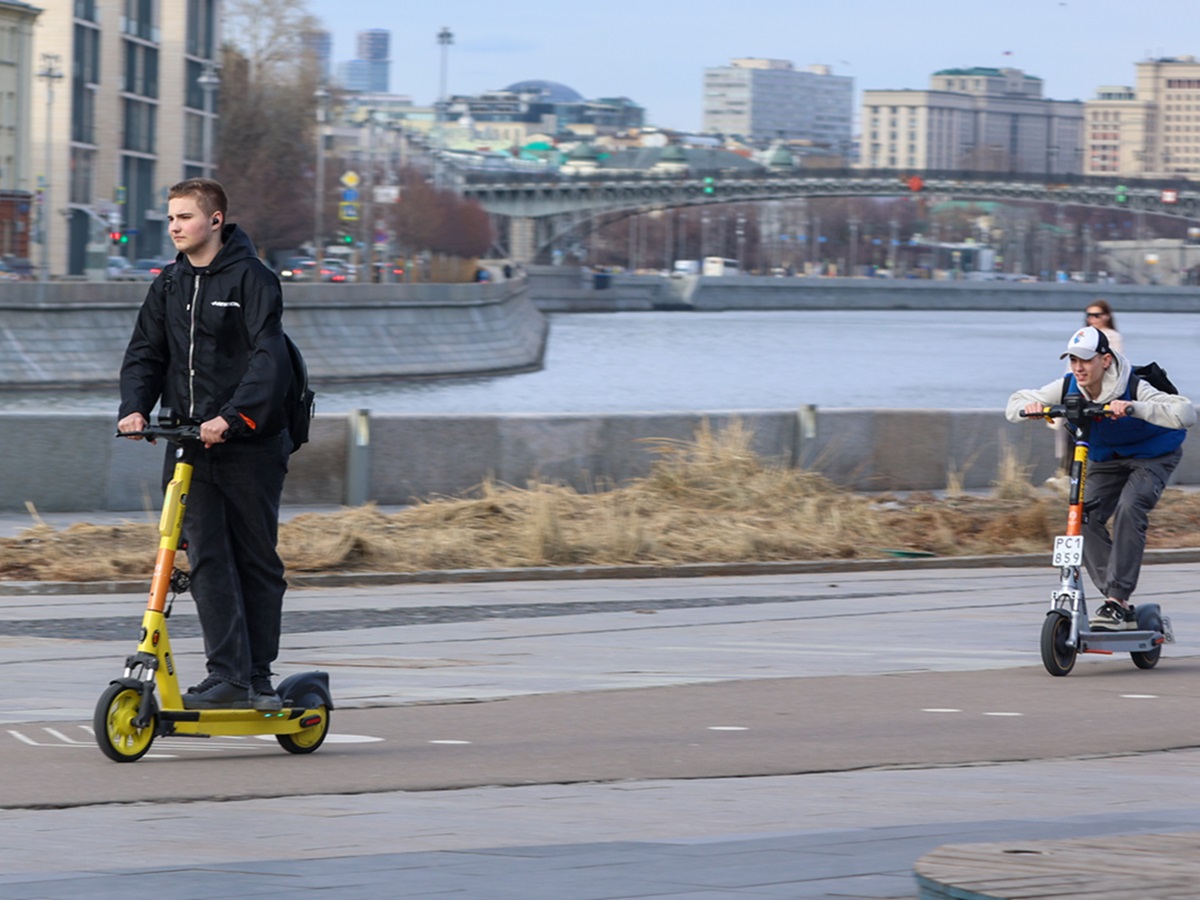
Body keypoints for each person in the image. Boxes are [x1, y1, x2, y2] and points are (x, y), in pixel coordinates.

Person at [117, 178, 292, 711]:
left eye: (185, 217)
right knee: (207, 558)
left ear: (215, 221)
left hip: (249, 442)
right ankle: (228, 676)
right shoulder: (169, 283)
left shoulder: (253, 279)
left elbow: (270, 358)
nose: (174, 227)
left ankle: (257, 675)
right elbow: (146, 351)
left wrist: (233, 417)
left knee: (255, 559)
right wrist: (135, 407)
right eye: (170, 218)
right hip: (190, 442)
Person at [1007, 326, 1195, 631]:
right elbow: (1014, 404)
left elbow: (1185, 413)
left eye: (1086, 360)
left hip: (1153, 455)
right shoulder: (1069, 385)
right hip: (1107, 459)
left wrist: (1134, 407)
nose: (1078, 367)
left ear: (1105, 360)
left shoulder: (1132, 383)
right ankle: (1115, 600)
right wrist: (1032, 407)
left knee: (1130, 507)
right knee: (1081, 515)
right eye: (1073, 360)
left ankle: (1116, 600)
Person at [1052, 300, 1127, 475]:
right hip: (1075, 389)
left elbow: (1117, 365)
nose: (1092, 318)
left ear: (1107, 316)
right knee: (1069, 432)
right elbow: (1070, 368)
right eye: (1089, 315)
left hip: (1096, 393)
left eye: (1096, 315)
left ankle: (1072, 476)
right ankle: (1065, 474)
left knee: (1082, 434)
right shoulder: (1082, 336)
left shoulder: (1112, 336)